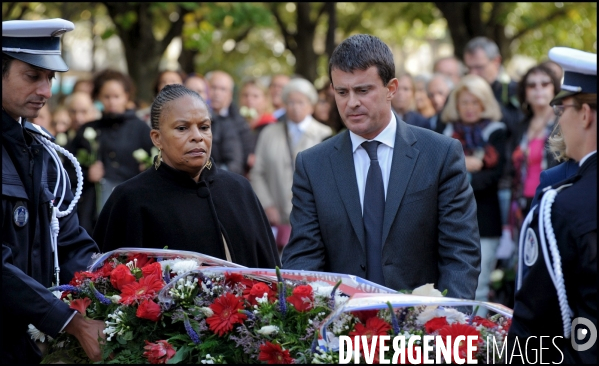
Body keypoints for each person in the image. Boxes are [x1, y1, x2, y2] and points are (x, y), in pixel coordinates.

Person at [281, 34, 480, 300]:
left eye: (363, 90)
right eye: (342, 92)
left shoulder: (440, 154)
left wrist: (447, 321)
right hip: (339, 328)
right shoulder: (313, 164)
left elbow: (460, 253)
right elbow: (303, 258)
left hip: (422, 326)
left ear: (392, 88)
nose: (351, 102)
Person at [2, 18, 104, 363]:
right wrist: (69, 321)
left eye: (50, 78)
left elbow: (69, 241)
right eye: (32, 76)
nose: (46, 91)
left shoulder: (39, 149)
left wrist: (115, 289)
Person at [93, 84, 281, 269]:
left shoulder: (239, 189)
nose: (197, 136)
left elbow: (271, 275)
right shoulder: (130, 199)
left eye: (204, 127)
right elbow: (109, 286)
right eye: (182, 128)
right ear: (157, 138)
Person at [508, 47, 596, 364]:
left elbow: (537, 327)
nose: (559, 121)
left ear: (585, 114)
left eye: (563, 110)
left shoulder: (560, 205)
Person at [440, 74, 507, 313]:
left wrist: (457, 171)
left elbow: (492, 177)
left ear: (485, 103)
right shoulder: (444, 130)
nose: (469, 108)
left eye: (475, 102)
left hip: (485, 219)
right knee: (447, 288)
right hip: (448, 219)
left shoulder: (496, 132)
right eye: (464, 102)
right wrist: (467, 165)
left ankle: (478, 344)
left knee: (479, 286)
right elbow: (437, 177)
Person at [68, 69, 154, 234]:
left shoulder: (141, 129)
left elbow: (158, 166)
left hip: (132, 207)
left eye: (116, 96)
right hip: (94, 211)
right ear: (98, 98)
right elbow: (67, 169)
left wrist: (147, 170)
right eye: (106, 97)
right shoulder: (89, 130)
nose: (112, 102)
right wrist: (87, 174)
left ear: (127, 96)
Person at [250, 78, 332, 251]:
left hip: (312, 219)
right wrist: (267, 204)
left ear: (311, 105)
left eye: (301, 102)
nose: (295, 107)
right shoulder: (268, 133)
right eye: (290, 102)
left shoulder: (324, 134)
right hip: (275, 217)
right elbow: (257, 172)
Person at [510, 64, 561, 219]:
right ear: (524, 93)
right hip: (521, 203)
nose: (538, 89)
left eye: (545, 84)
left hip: (553, 201)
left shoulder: (563, 123)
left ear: (555, 89)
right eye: (532, 85)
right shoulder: (520, 126)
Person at [206, 70, 248, 175]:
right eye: (213, 87)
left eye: (223, 89)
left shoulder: (239, 121)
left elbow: (236, 163)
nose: (217, 93)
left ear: (230, 94)